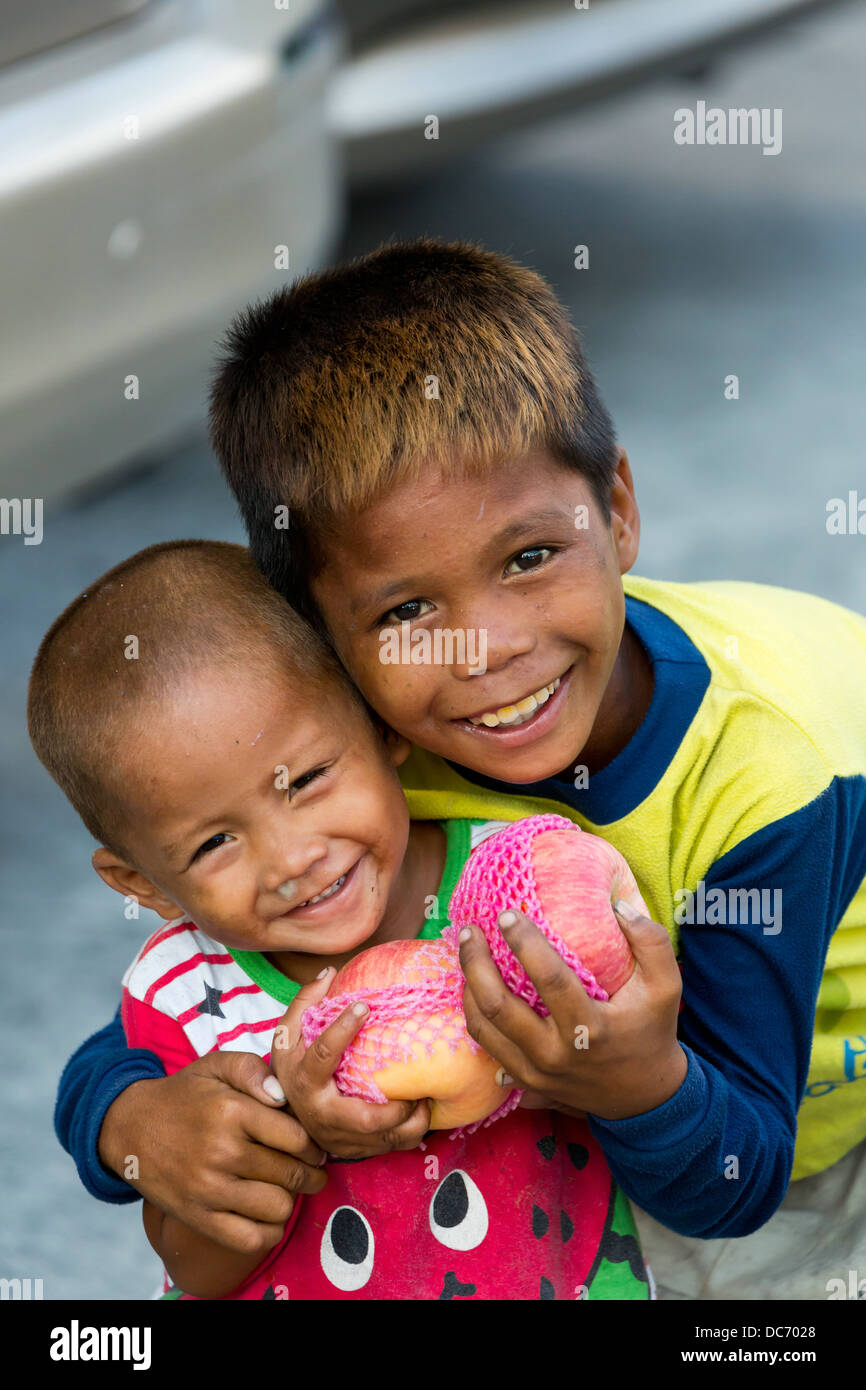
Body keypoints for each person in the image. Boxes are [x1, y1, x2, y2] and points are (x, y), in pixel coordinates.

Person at [54, 237, 866, 1298]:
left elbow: (737, 1170)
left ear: (614, 511)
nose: (482, 652)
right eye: (405, 611)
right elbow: (168, 1003)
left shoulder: (765, 780)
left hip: (797, 1110)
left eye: (529, 558)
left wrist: (631, 1084)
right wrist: (128, 1122)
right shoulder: (348, 759)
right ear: (323, 642)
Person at [30, 538, 650, 1300]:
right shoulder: (181, 994)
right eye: (216, 842)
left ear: (381, 722)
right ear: (143, 883)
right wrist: (288, 1135)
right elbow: (195, 1266)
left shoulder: (517, 885)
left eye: (310, 779)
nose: (293, 858)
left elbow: (641, 1069)